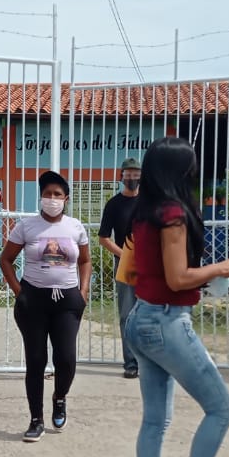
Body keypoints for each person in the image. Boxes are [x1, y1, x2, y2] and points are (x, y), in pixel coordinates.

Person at [123, 137, 229, 457]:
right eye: (192, 166)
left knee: (155, 420)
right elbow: (178, 278)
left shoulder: (145, 212)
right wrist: (220, 268)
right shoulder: (172, 215)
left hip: (142, 317)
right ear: (180, 171)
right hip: (166, 322)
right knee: (222, 410)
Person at [0, 171, 91, 442]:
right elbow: (6, 260)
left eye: (57, 195)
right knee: (36, 360)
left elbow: (85, 261)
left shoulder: (76, 227)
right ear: (40, 197)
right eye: (47, 194)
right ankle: (36, 419)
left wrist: (83, 291)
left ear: (66, 199)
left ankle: (60, 397)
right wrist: (19, 292)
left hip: (67, 301)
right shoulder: (27, 226)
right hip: (33, 300)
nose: (52, 199)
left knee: (66, 359)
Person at [98, 157, 143, 378]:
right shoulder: (114, 204)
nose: (132, 177)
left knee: (150, 314)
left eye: (136, 173)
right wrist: (125, 255)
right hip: (124, 264)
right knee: (127, 314)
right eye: (128, 173)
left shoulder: (149, 202)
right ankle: (131, 364)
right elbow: (103, 238)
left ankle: (150, 363)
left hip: (149, 265)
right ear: (121, 176)